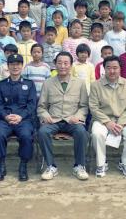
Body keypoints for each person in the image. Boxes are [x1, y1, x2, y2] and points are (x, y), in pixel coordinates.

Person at [37, 52, 90, 181]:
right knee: (43, 132)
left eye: (66, 63)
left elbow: (84, 106)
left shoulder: (80, 83)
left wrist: (78, 116)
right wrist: (45, 115)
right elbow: (41, 106)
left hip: (72, 120)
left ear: (71, 65)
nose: (62, 66)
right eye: (59, 63)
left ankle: (79, 166)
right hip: (54, 120)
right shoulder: (48, 83)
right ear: (55, 64)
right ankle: (51, 166)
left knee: (81, 132)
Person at [89, 55, 126, 177]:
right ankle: (101, 164)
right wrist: (107, 123)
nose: (112, 71)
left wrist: (120, 124)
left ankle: (125, 163)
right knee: (97, 133)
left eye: (115, 68)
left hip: (123, 120)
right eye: (108, 68)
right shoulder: (96, 85)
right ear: (104, 69)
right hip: (102, 120)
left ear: (120, 69)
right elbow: (94, 107)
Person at [0, 54, 37, 181]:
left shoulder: (29, 84)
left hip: (23, 120)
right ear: (8, 66)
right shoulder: (1, 85)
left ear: (22, 66)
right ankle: (1, 165)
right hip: (5, 120)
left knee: (26, 136)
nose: (15, 67)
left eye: (18, 64)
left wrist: (20, 116)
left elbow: (32, 104)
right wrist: (6, 117)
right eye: (12, 64)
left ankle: (23, 165)